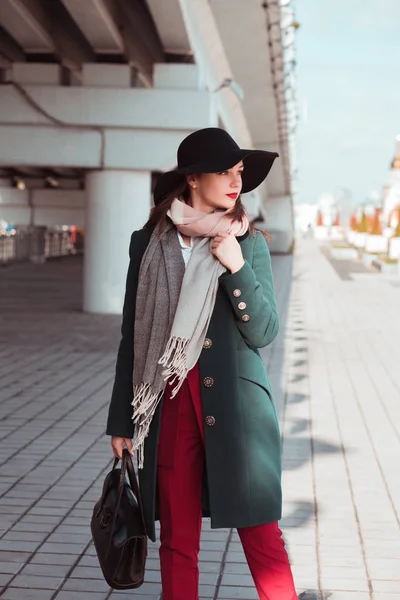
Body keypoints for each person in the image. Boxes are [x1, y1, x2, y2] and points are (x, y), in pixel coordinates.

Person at [106, 127, 297, 600]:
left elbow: (265, 331)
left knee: (259, 530)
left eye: (238, 172)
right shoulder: (147, 243)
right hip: (169, 404)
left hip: (237, 408)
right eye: (224, 171)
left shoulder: (247, 242)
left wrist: (236, 268)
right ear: (192, 179)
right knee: (177, 540)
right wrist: (122, 420)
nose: (236, 181)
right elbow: (134, 335)